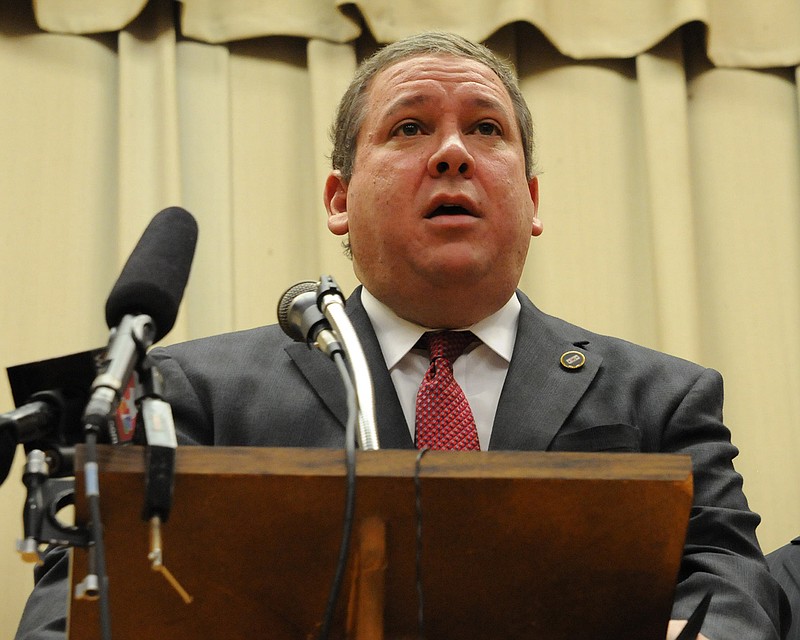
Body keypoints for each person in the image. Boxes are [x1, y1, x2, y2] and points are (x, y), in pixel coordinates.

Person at [15, 31, 787, 640]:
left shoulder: (660, 396)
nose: (452, 152)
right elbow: (79, 604)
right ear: (340, 198)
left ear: (532, 197)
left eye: (486, 130)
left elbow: (727, 575)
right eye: (411, 127)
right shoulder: (195, 392)